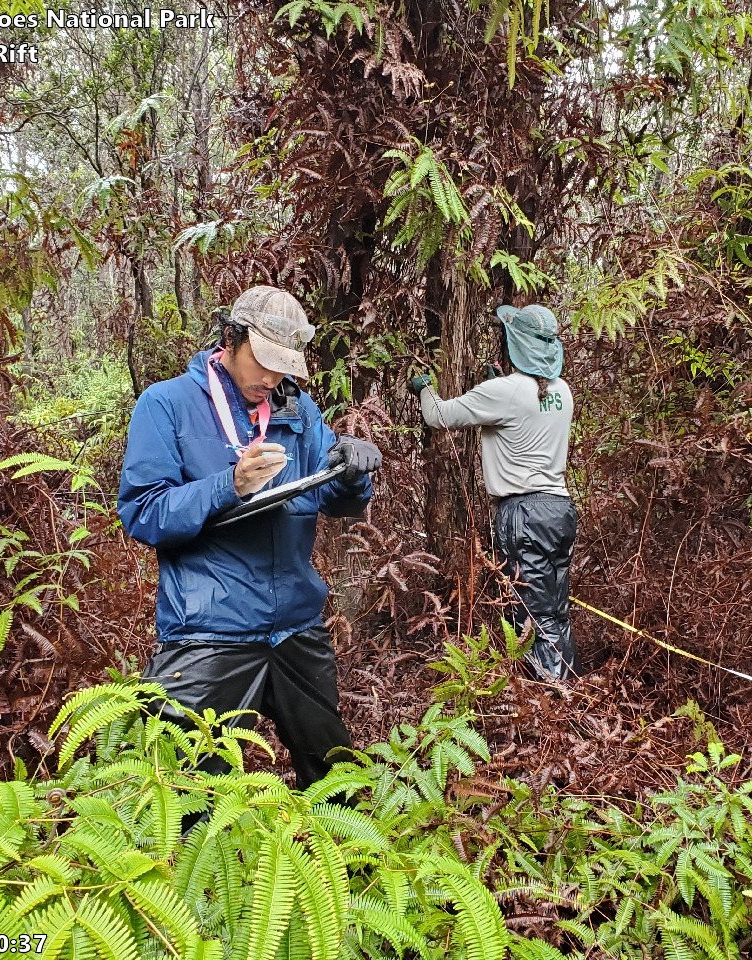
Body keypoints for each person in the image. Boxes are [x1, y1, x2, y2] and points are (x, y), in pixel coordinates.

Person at [118, 285, 382, 788]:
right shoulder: (167, 405)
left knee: (336, 782)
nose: (270, 377)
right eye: (261, 361)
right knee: (187, 792)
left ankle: (340, 867)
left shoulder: (299, 412)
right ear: (230, 339)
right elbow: (143, 513)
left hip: (296, 626)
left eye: (282, 365)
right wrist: (228, 486)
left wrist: (352, 472)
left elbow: (341, 502)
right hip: (209, 629)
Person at [409, 303, 578, 681]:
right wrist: (495, 386)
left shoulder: (505, 391)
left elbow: (440, 416)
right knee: (555, 609)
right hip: (560, 511)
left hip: (524, 516)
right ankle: (569, 690)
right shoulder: (562, 391)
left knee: (531, 615)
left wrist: (424, 389)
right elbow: (526, 410)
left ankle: (553, 702)